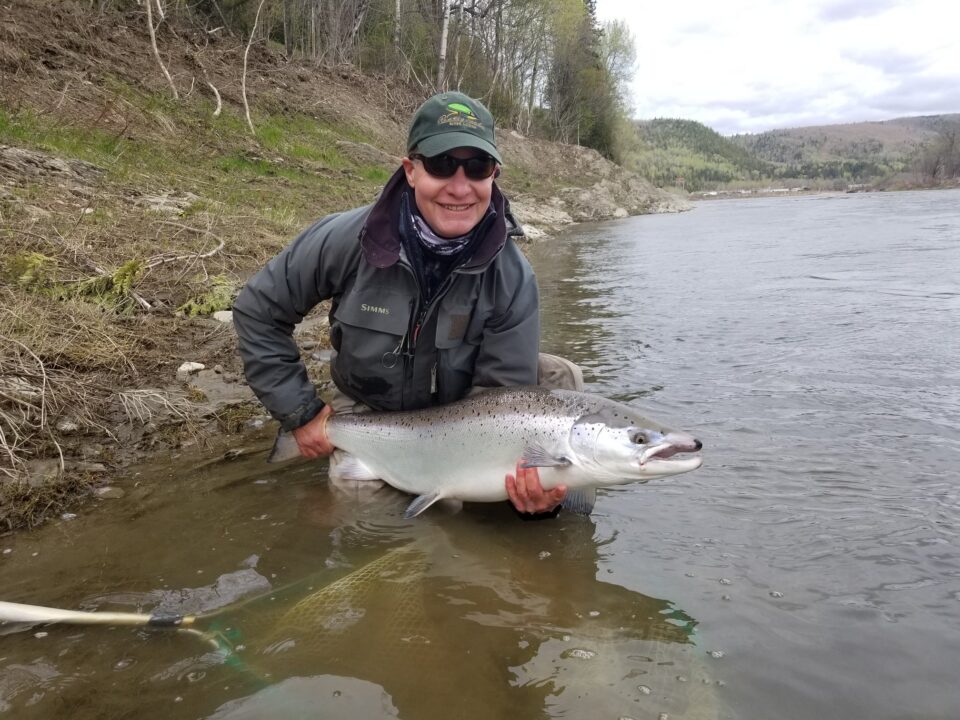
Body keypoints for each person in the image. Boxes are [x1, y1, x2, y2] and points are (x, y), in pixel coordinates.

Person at [233, 91, 582, 516]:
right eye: (440, 166)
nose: (460, 186)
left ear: (494, 174)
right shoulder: (343, 239)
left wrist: (535, 490)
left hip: (465, 412)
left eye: (477, 167)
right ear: (411, 170)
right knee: (371, 521)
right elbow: (258, 311)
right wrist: (302, 413)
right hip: (371, 412)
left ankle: (558, 501)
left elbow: (501, 397)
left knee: (561, 378)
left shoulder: (511, 275)